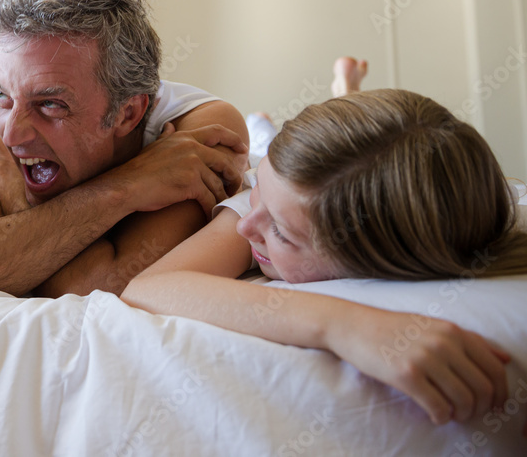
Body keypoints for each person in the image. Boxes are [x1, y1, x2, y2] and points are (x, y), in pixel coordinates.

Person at [122, 85, 527, 427]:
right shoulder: (257, 209)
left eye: (281, 233)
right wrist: (340, 324)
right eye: (262, 191)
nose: (249, 227)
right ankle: (321, 101)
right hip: (270, 165)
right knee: (260, 146)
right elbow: (149, 287)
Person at [0, 0, 251, 297]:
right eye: (1, 94)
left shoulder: (200, 131)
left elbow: (97, 287)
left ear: (127, 114)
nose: (11, 134)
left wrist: (8, 191)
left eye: (50, 104)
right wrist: (127, 187)